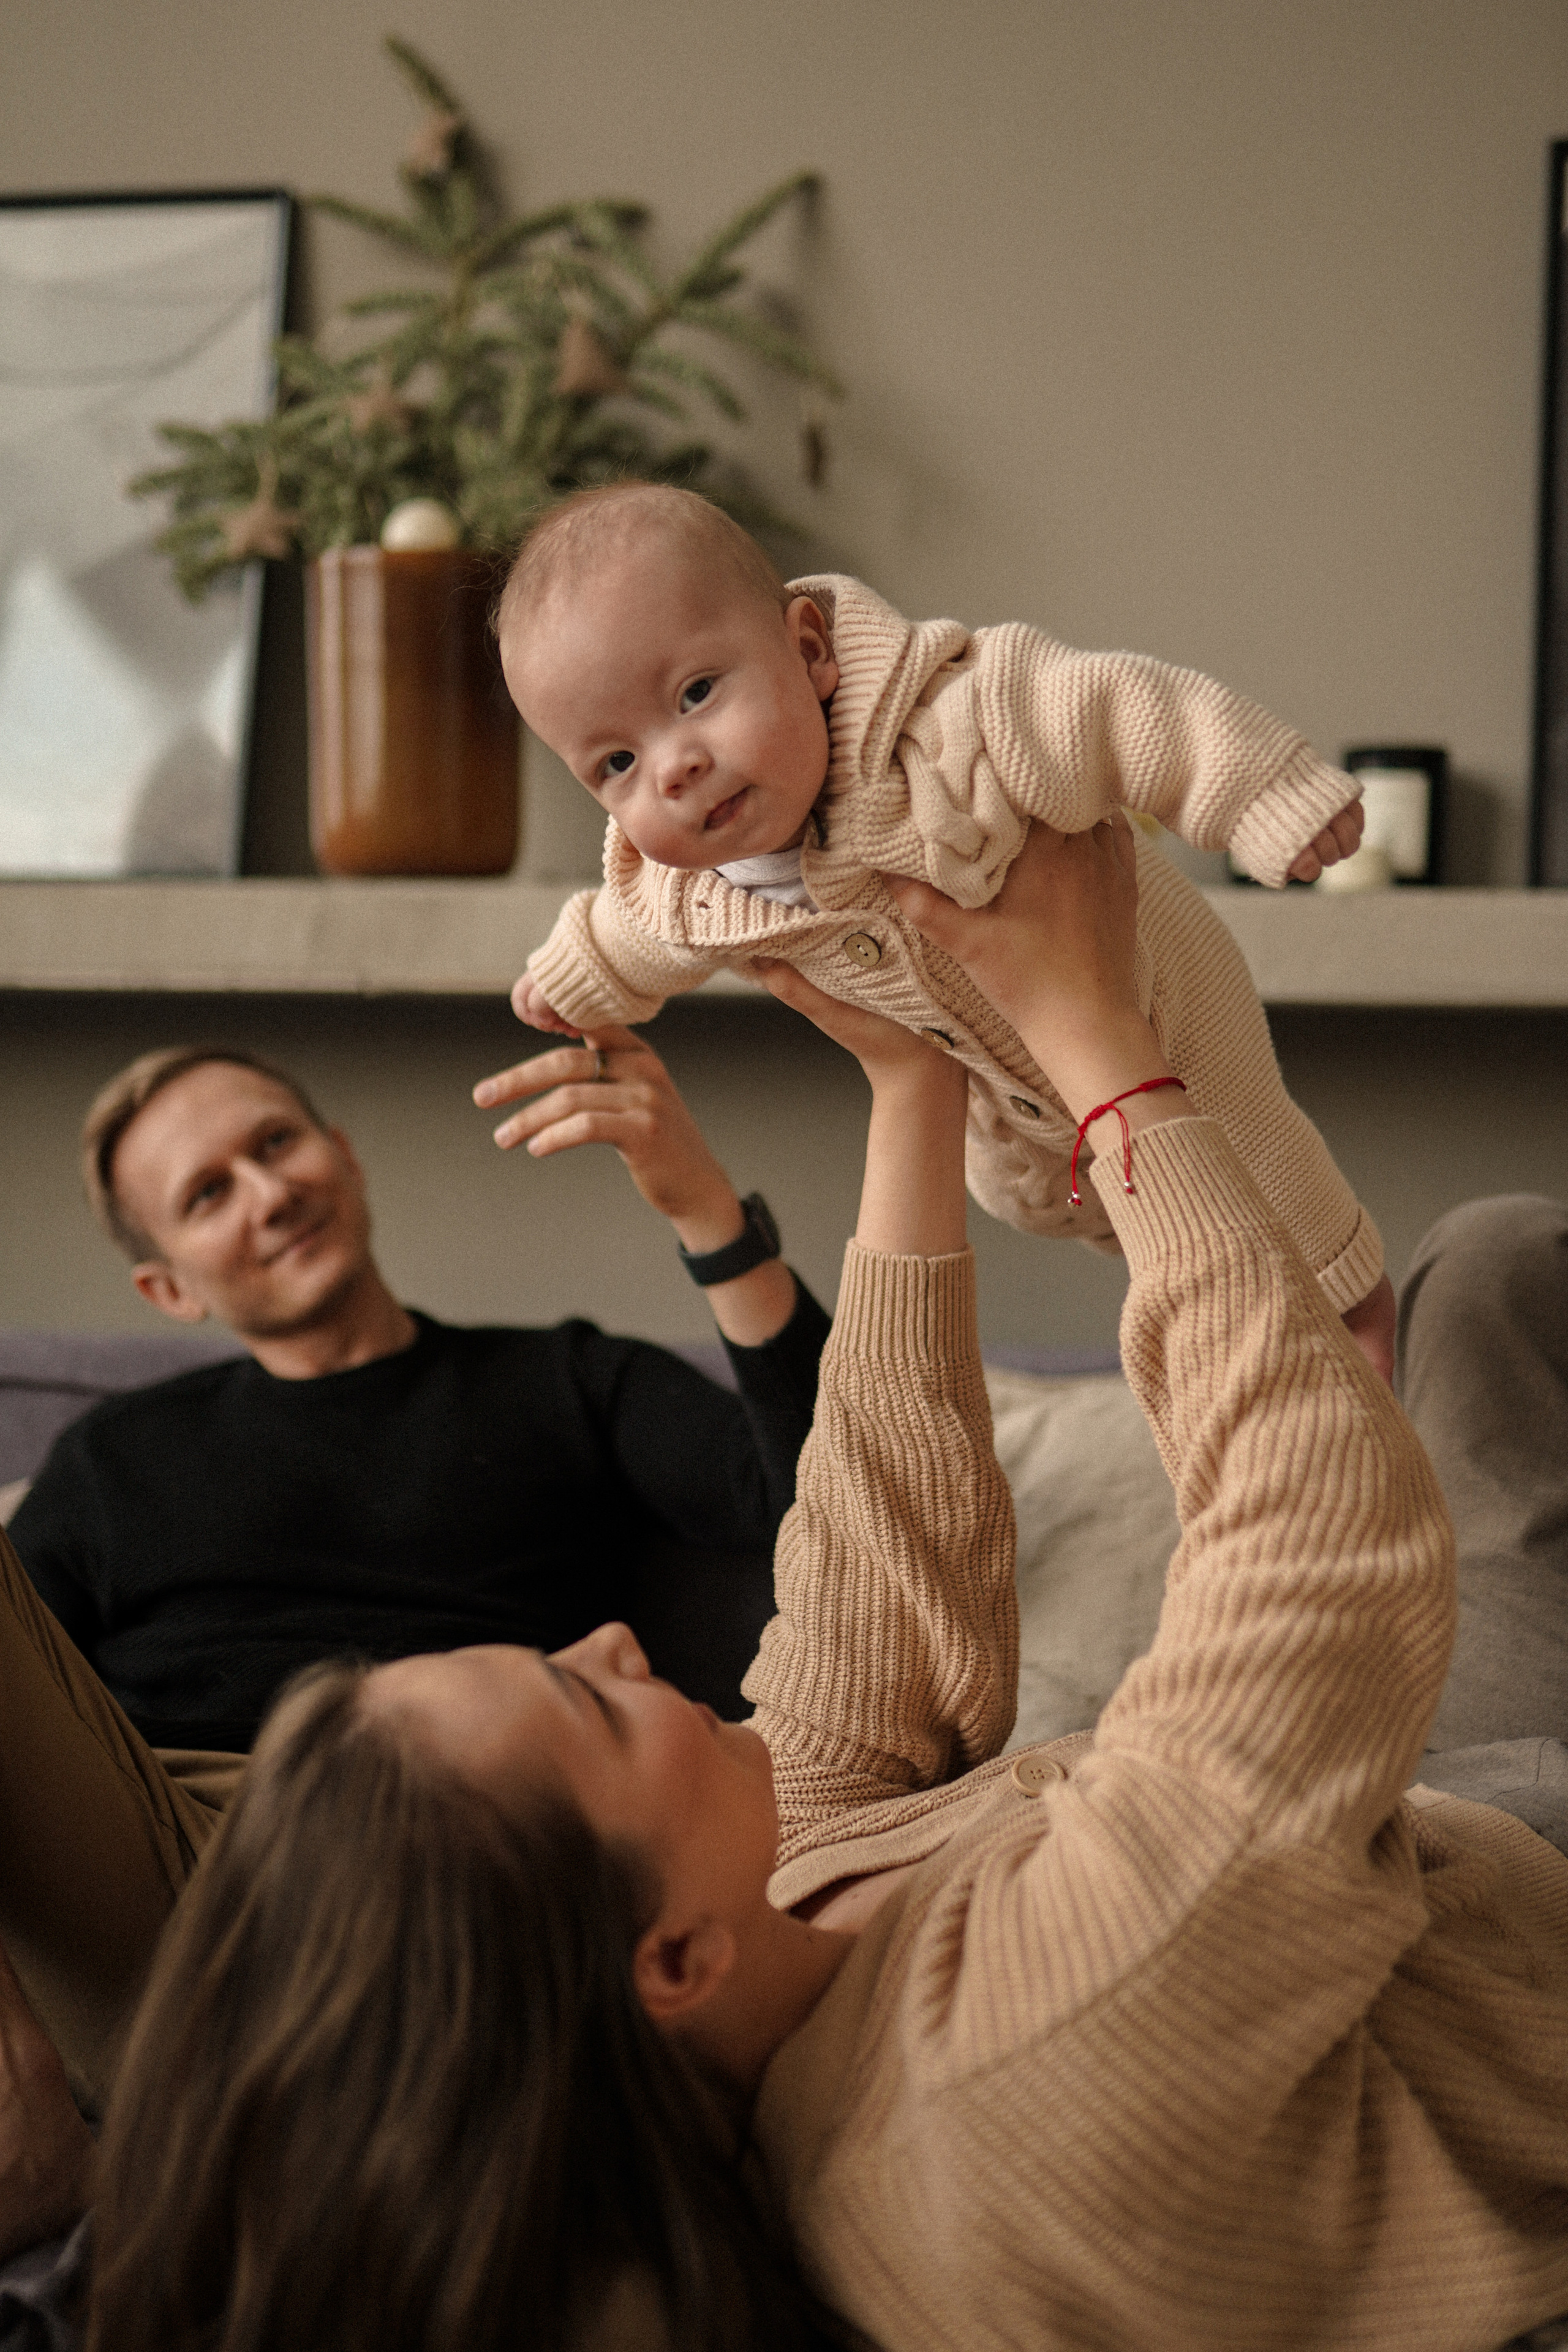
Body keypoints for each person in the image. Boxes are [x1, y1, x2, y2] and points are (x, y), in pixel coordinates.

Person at [8, 813, 1558, 2350]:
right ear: (667, 1961)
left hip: (1409, 1826)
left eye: (272, 1144)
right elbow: (1315, 1565)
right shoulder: (1020, 2058)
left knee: (1490, 1271)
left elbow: (867, 1594)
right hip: (1522, 1870)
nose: (620, 1638)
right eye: (583, 1697)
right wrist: (1103, 1051)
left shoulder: (766, 1919)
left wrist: (910, 1081)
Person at [496, 481, 1396, 1378]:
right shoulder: (685, 894)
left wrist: (1259, 790)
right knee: (1191, 1307)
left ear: (809, 648)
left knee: (1277, 1218)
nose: (676, 767)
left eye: (696, 693)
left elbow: (1122, 711)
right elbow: (622, 937)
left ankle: (1362, 1327)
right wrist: (569, 979)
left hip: (1167, 1025)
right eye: (617, 762)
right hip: (1029, 1141)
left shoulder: (957, 723)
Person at [8, 1027, 829, 1759]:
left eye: (276, 1142)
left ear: (344, 1156)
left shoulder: (569, 1379)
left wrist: (708, 1214)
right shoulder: (112, 1454)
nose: (271, 1194)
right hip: (183, 1824)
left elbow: (835, 1494)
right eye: (209, 1194)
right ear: (169, 1290)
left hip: (461, 1814)